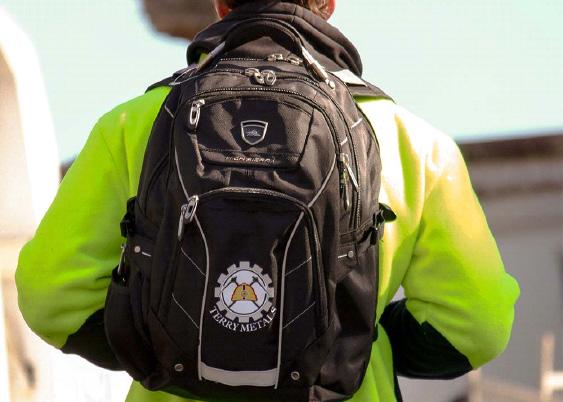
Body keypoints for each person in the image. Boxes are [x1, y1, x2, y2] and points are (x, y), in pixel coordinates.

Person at [16, 0, 520, 401]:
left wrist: (165, 343)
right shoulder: (414, 142)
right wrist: (353, 337)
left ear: (220, 4)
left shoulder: (132, 125)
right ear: (328, 3)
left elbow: (51, 296)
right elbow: (476, 326)